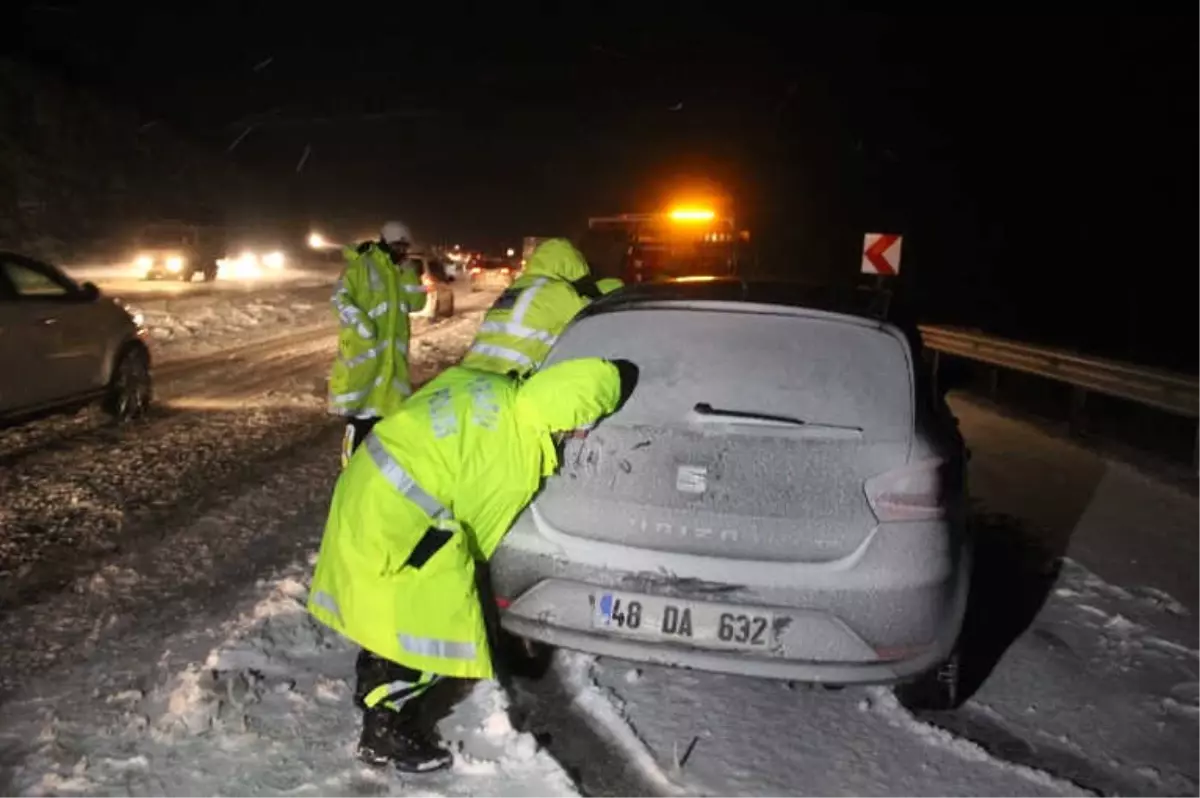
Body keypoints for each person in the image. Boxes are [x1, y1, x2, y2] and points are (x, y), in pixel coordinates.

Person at [307, 357, 633, 773]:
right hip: (397, 513)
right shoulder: (514, 454)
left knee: (387, 607)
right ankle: (385, 730)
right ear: (572, 414)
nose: (584, 431)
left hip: (368, 483)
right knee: (434, 620)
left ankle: (374, 686)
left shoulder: (495, 387)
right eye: (586, 420)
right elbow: (480, 534)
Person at [329, 221, 429, 466]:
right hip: (365, 360)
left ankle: (374, 476)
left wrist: (410, 273)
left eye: (405, 247)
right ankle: (349, 473)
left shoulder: (399, 272)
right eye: (397, 246)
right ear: (384, 242)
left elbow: (416, 303)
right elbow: (339, 297)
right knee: (360, 424)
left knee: (386, 431)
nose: (402, 251)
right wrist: (360, 324)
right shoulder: (362, 266)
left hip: (391, 366)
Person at [460, 238, 596, 377]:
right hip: (510, 379)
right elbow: (597, 319)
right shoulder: (561, 292)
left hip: (471, 374)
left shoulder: (516, 286)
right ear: (571, 267)